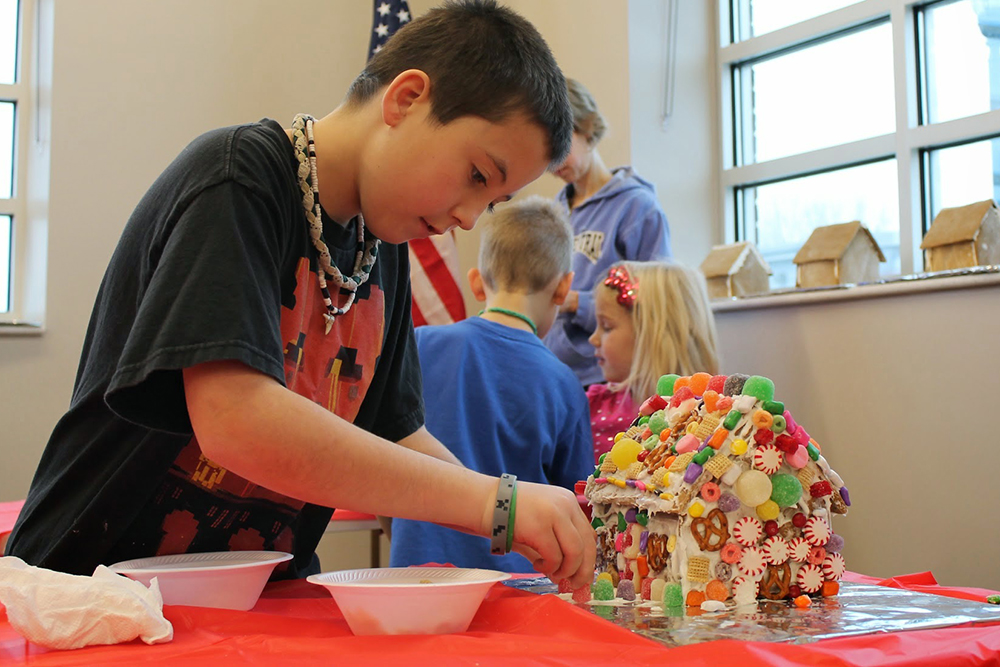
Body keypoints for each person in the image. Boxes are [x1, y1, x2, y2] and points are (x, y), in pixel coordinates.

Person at [6, 0, 595, 589]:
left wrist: (515, 523)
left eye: (492, 202)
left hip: (260, 595)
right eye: (476, 175)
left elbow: (392, 429)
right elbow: (236, 419)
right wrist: (493, 501)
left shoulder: (380, 243)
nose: (469, 219)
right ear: (407, 98)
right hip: (91, 588)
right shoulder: (238, 179)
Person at [389, 197, 594, 572]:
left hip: (415, 580)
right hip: (517, 594)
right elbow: (579, 508)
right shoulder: (564, 385)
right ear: (563, 290)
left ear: (476, 284)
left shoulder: (417, 345)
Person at [543, 78, 671, 387]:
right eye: (545, 152)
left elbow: (657, 302)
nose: (553, 162)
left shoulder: (636, 208)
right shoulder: (552, 213)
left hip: (607, 380)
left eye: (561, 145)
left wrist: (578, 303)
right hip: (554, 373)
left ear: (587, 131)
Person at [587, 261, 720, 462]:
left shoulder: (713, 415)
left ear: (648, 337)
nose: (593, 339)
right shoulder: (592, 407)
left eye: (606, 327)